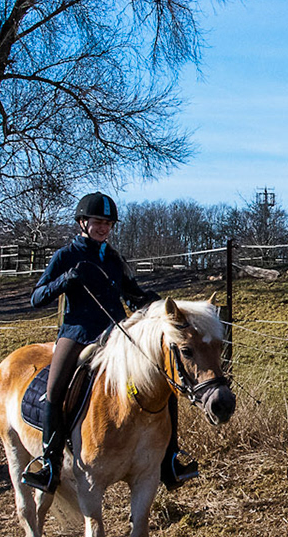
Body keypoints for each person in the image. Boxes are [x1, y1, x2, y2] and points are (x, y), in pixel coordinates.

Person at [20, 192, 197, 493]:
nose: (104, 228)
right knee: (55, 390)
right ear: (83, 222)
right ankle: (50, 465)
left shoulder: (114, 259)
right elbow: (37, 297)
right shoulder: (66, 256)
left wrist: (149, 300)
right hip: (77, 334)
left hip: (116, 335)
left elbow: (131, 295)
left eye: (108, 223)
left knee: (163, 382)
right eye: (98, 222)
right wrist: (66, 280)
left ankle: (170, 459)